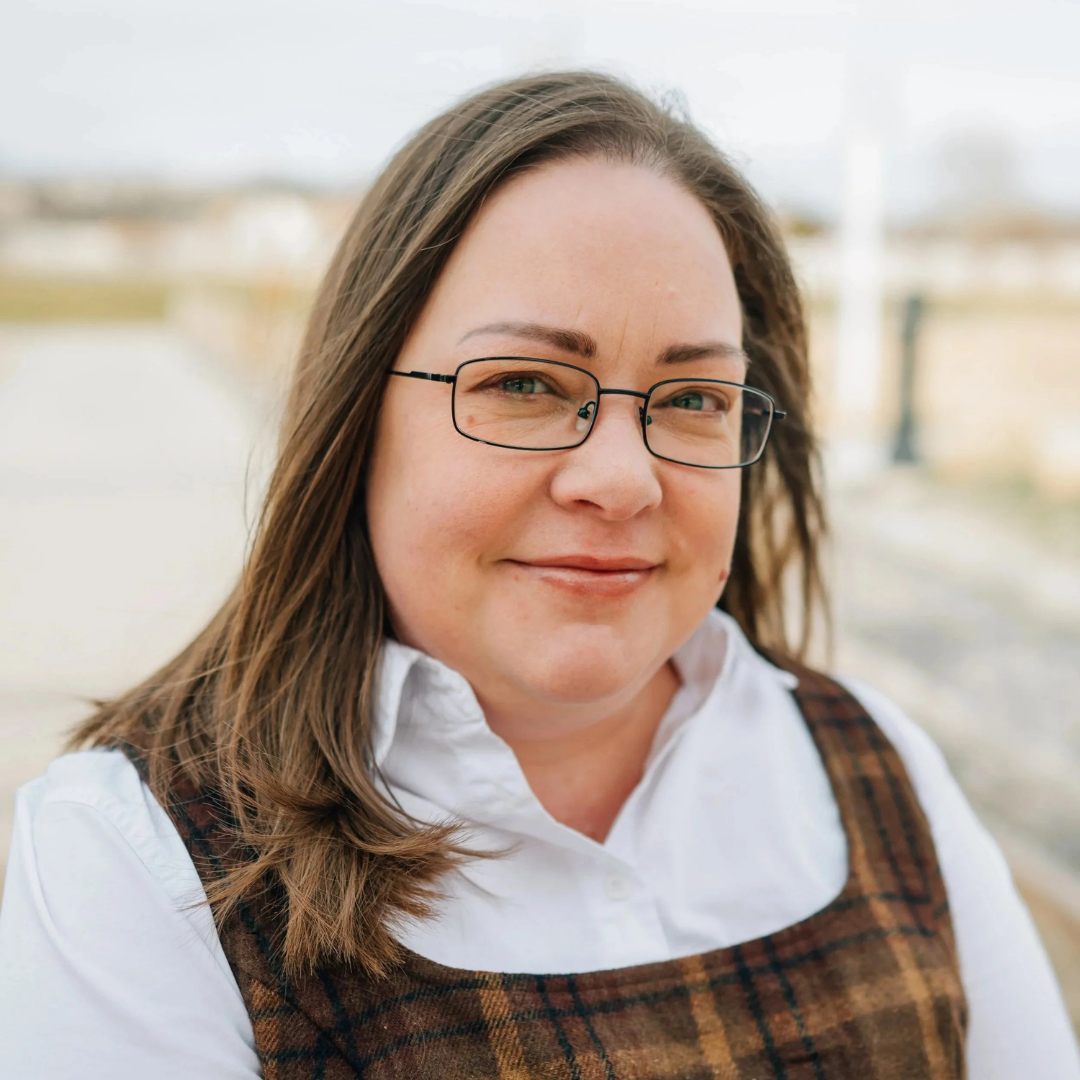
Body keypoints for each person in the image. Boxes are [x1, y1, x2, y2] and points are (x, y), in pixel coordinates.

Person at [1, 71, 1077, 1080]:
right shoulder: (141, 864)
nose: (622, 480)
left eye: (694, 398)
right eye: (523, 381)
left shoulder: (883, 776)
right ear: (355, 418)